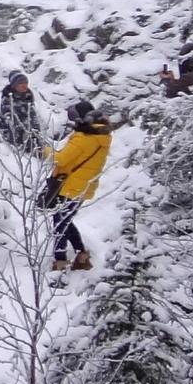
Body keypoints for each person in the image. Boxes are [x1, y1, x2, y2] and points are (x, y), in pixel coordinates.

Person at [46, 99, 112, 272]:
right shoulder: (102, 136)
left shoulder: (84, 138)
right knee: (64, 220)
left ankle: (60, 262)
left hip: (70, 186)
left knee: (60, 224)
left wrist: (43, 150)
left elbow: (61, 158)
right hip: (85, 187)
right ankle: (81, 256)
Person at [0, 71, 44, 152]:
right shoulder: (8, 96)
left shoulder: (28, 95)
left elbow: (32, 113)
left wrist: (35, 129)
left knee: (35, 134)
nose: (24, 85)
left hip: (25, 125)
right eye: (21, 83)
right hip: (11, 128)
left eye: (26, 82)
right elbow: (8, 118)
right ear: (14, 85)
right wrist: (25, 127)